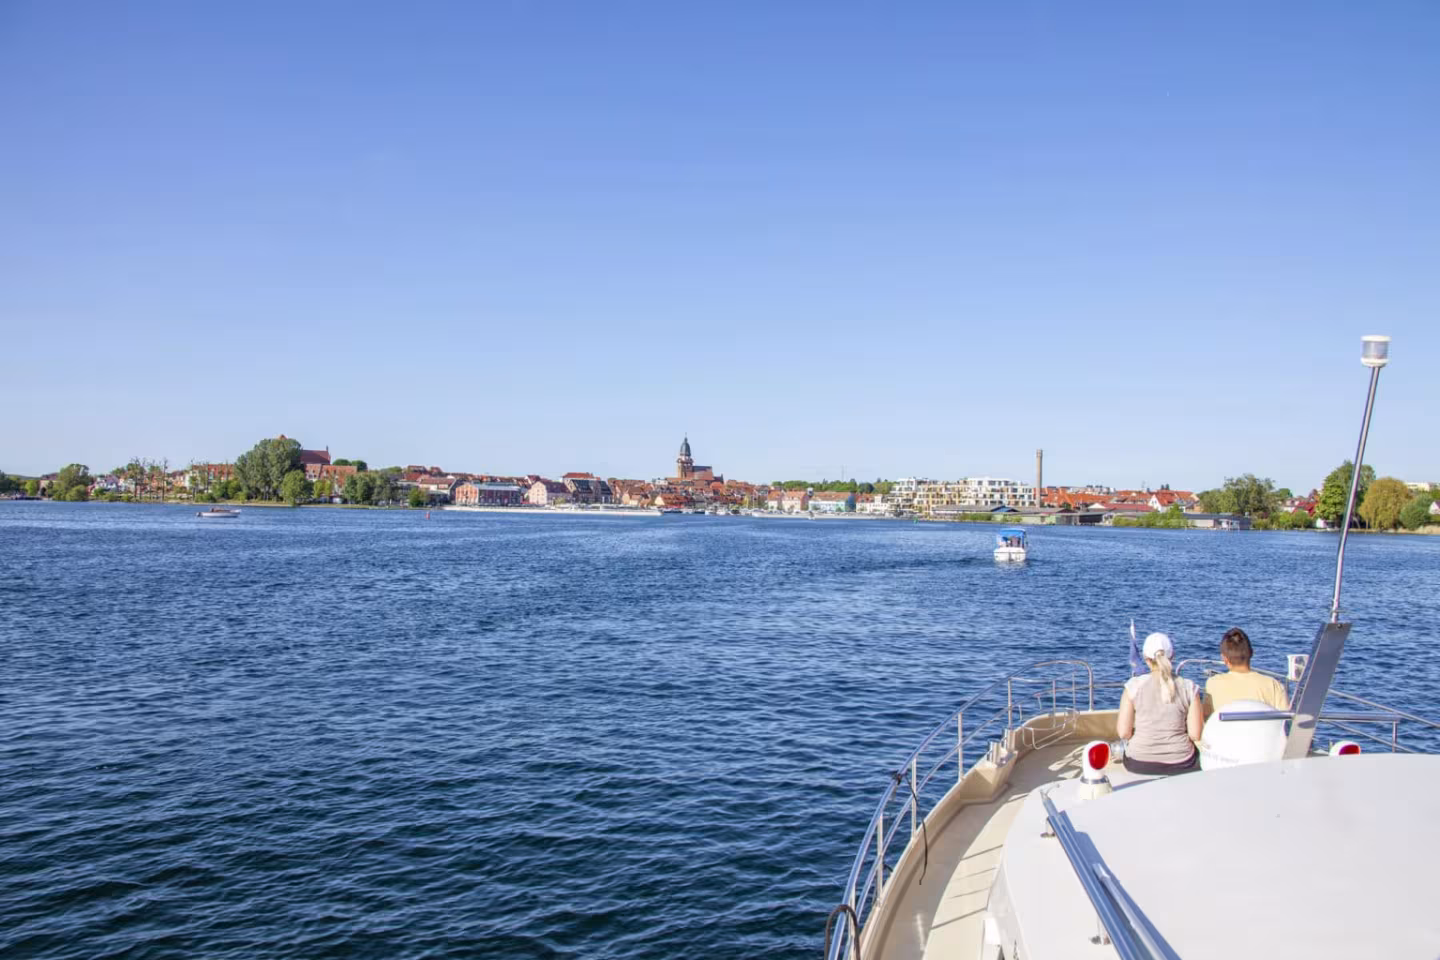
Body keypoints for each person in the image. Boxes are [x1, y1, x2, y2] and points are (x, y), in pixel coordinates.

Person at [1117, 632, 1204, 775]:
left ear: (1146, 659)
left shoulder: (1132, 687)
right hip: (1183, 761)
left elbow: (1124, 733)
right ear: (1172, 656)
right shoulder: (1189, 687)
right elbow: (1195, 735)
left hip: (1138, 761)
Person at [1204, 627, 1289, 716]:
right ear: (1251, 653)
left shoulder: (1213, 684)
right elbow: (1286, 722)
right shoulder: (1274, 686)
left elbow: (1206, 719)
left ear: (1224, 658)